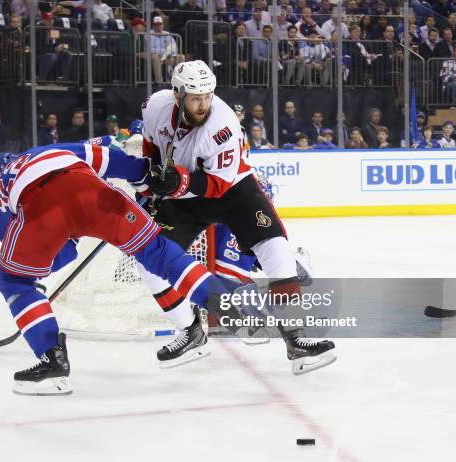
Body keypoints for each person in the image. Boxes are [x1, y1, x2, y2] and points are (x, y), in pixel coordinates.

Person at [0, 141, 253, 394]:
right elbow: (111, 159)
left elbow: (13, 252)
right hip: (95, 195)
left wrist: (56, 256)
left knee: (14, 282)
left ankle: (52, 360)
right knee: (158, 252)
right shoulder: (50, 150)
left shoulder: (0, 188)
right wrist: (146, 183)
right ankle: (223, 301)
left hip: (43, 209)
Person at [136, 60, 335, 374]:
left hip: (230, 190)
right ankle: (191, 332)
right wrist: (149, 182)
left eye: (207, 95)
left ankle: (296, 338)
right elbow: (150, 143)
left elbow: (217, 184)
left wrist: (178, 181)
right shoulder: (155, 106)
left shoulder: (223, 123)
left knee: (274, 246)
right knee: (146, 260)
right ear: (177, 94)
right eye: (195, 97)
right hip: (181, 198)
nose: (203, 104)